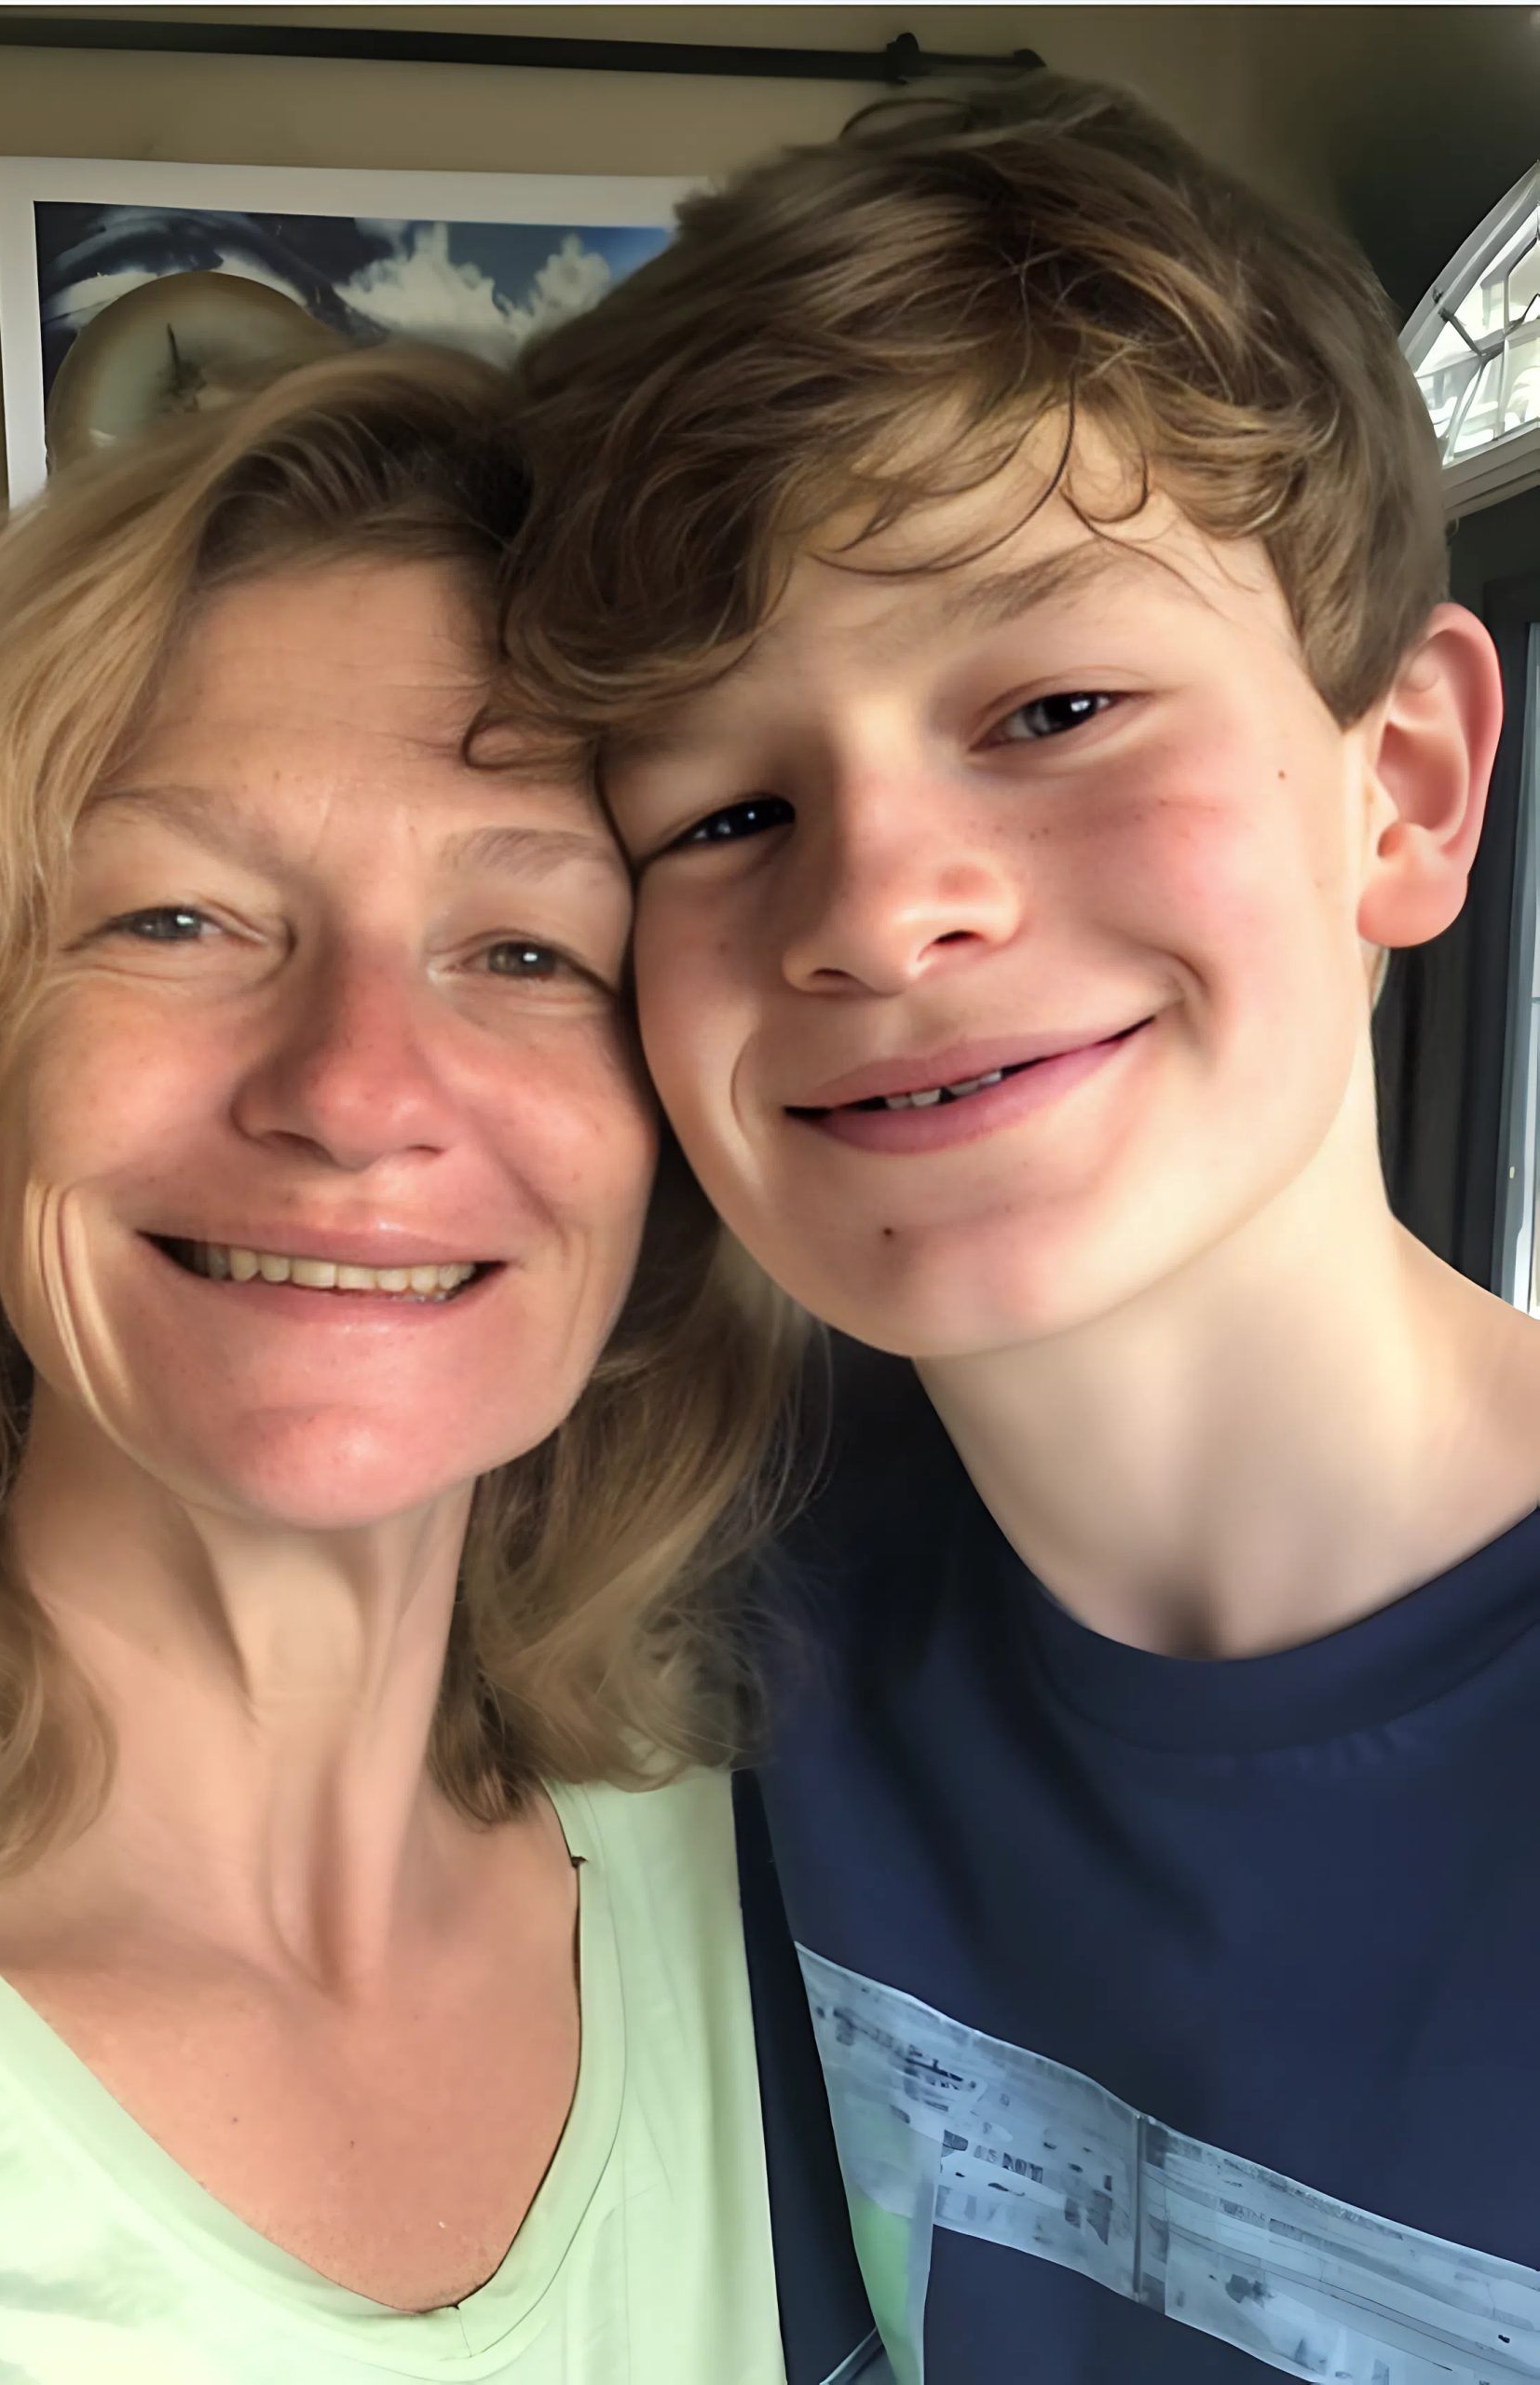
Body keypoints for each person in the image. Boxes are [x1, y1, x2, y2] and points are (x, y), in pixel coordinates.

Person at [495, 70, 1540, 2385]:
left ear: (1400, 788)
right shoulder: (658, 1615)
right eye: (723, 810)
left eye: (1055, 704)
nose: (877, 908)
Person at [0, 348, 803, 2385]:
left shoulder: (805, 1914)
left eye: (525, 951)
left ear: (665, 1171)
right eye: (176, 919)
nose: (352, 1091)